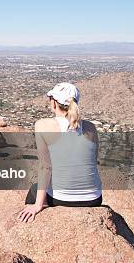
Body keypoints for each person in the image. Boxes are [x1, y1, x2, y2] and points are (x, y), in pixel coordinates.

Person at [19, 83, 102, 222]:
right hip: (94, 198)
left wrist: (38, 205)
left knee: (34, 189)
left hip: (62, 199)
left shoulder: (42, 125)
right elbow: (92, 161)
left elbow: (45, 167)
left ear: (53, 103)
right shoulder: (91, 127)